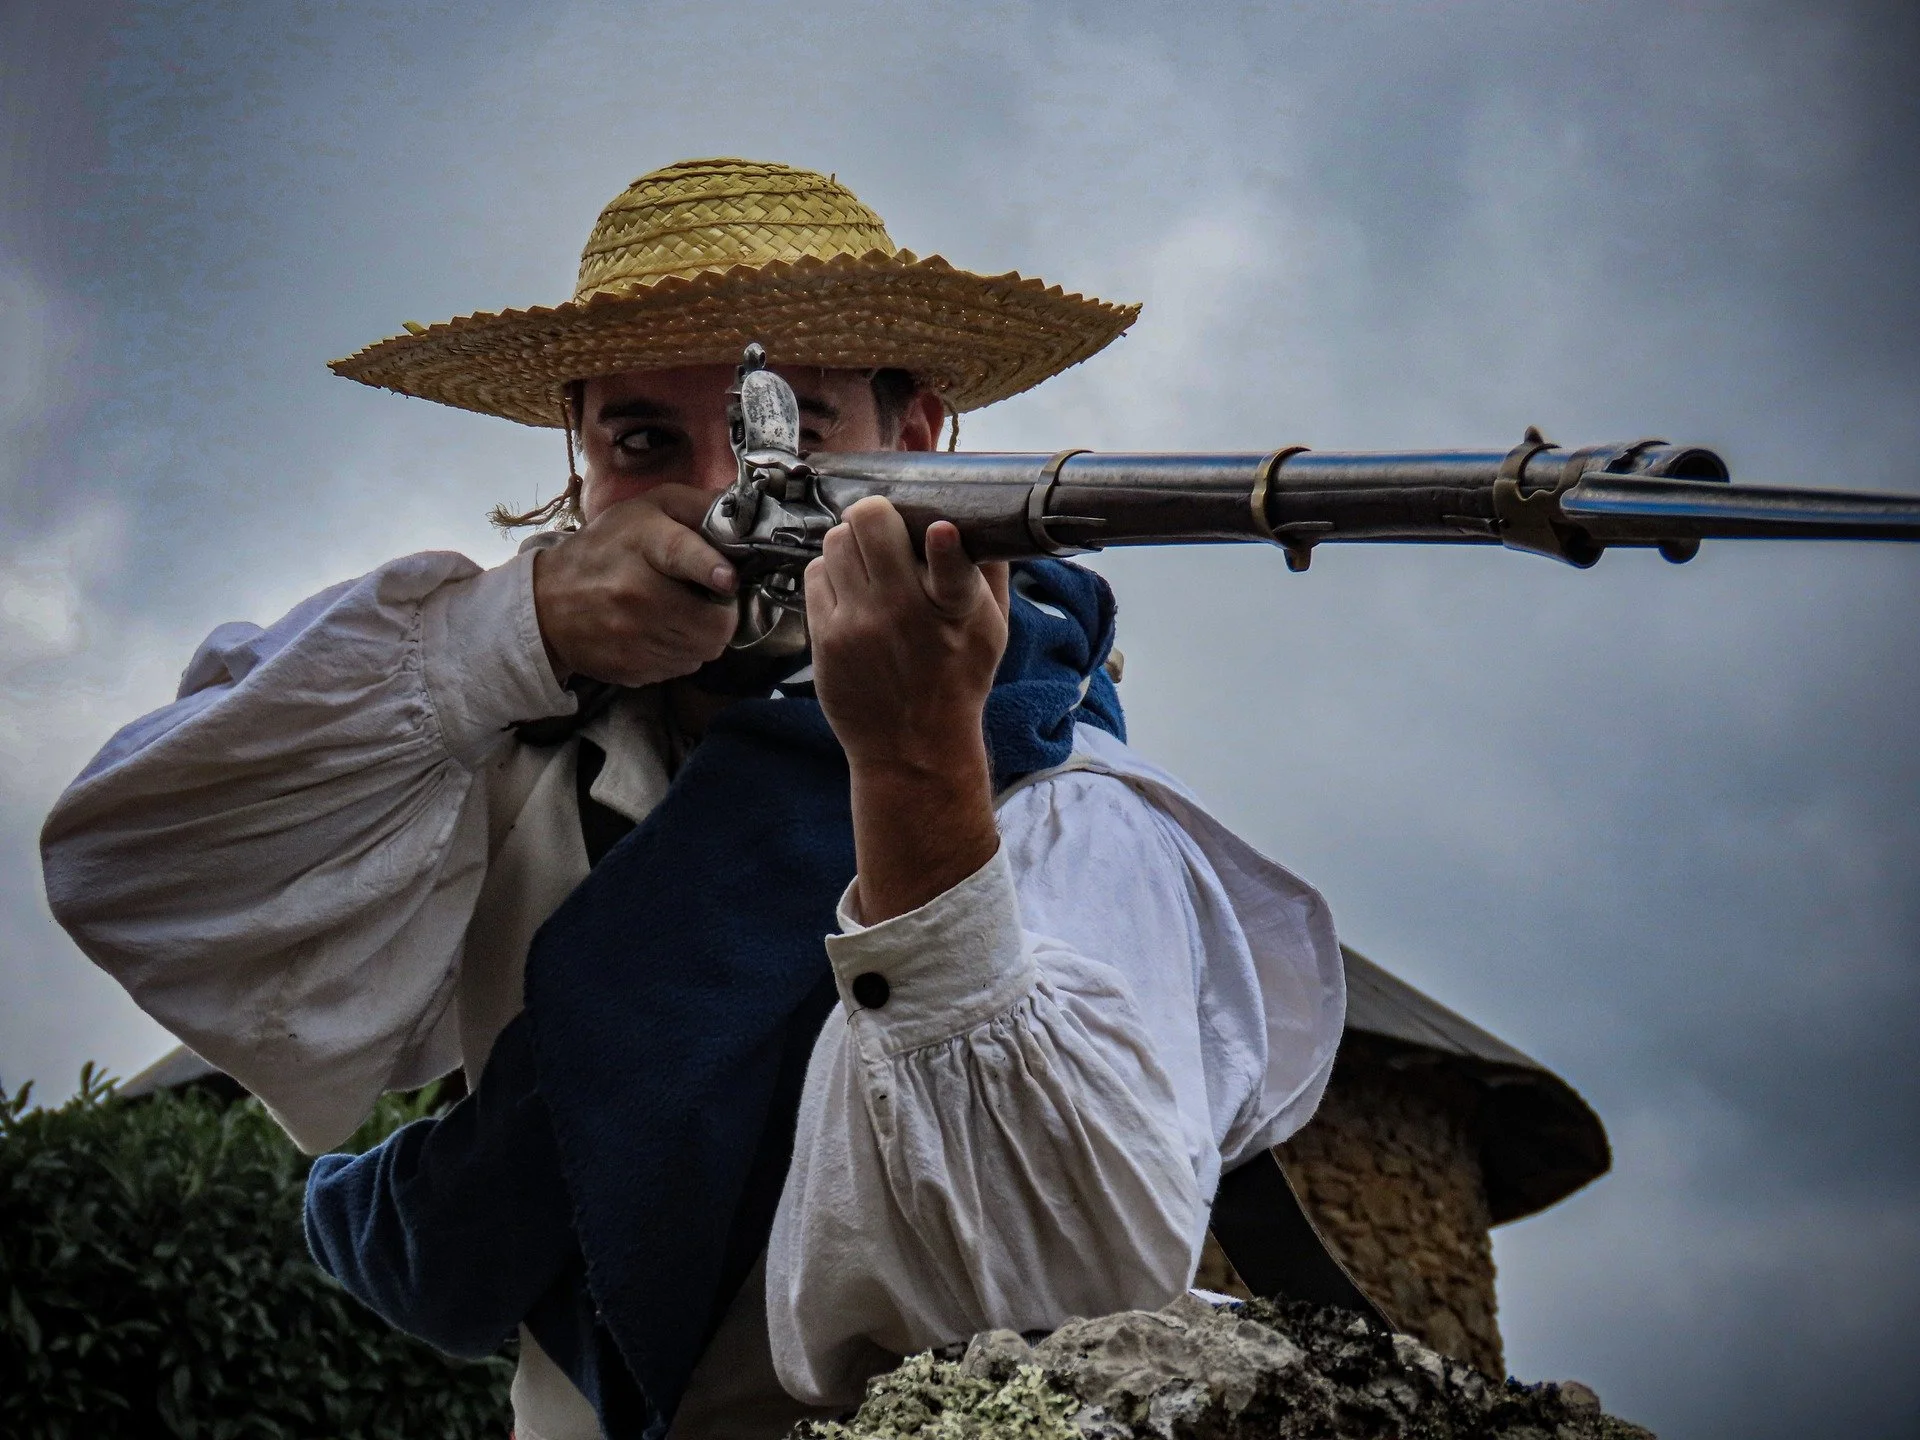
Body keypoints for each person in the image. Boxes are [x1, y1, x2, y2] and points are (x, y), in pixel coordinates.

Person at [40, 158, 1346, 1440]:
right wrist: (517, 628)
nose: (725, 496)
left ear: (920, 437)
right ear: (583, 460)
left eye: (789, 430)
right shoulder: (494, 739)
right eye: (648, 442)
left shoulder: (1072, 809)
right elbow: (130, 871)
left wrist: (914, 777)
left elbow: (1061, 1306)